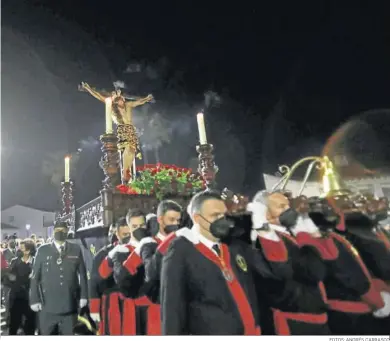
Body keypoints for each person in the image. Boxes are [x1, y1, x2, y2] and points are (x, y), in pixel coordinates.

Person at [160, 191, 282, 335]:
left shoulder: (235, 245)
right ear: (197, 218)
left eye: (223, 215)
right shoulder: (180, 251)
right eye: (214, 216)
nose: (221, 220)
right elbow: (172, 310)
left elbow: (274, 271)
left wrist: (264, 229)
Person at [248, 191, 329, 335]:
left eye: (288, 206)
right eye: (281, 206)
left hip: (312, 316)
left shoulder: (287, 235)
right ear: (266, 213)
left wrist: (304, 224)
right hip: (295, 321)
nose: (288, 210)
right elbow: (286, 270)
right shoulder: (264, 240)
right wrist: (262, 227)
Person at [81, 82, 153, 182]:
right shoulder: (113, 109)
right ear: (115, 101)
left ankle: (127, 172)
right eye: (119, 100)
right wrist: (89, 89)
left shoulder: (128, 105)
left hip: (131, 130)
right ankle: (125, 172)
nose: (122, 101)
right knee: (127, 148)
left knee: (132, 150)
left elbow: (138, 102)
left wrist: (146, 99)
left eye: (122, 99)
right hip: (122, 129)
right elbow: (99, 96)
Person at [29, 221, 88, 335]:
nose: (60, 233)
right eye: (57, 231)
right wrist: (34, 300)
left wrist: (84, 296)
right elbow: (35, 277)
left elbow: (83, 274)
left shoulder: (75, 249)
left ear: (67, 232)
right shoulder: (43, 250)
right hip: (47, 306)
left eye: (63, 231)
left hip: (69, 304)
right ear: (53, 233)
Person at [110, 210, 160, 335]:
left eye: (142, 225)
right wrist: (138, 252)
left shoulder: (155, 245)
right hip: (134, 309)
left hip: (156, 307)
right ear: (129, 228)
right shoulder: (121, 251)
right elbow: (121, 280)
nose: (139, 229)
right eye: (135, 226)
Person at [123, 200, 182, 304]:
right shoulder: (148, 244)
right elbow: (149, 274)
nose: (176, 224)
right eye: (172, 220)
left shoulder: (182, 241)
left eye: (178, 220)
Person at [88, 217, 131, 335]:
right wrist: (94, 308)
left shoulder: (139, 250)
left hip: (132, 302)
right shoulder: (103, 254)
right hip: (111, 303)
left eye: (130, 233)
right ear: (117, 233)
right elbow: (94, 282)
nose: (128, 237)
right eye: (124, 234)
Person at [6, 239, 36, 335]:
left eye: (22, 248)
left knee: (30, 326)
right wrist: (11, 278)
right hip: (16, 298)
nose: (19, 250)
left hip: (30, 299)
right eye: (19, 247)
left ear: (29, 250)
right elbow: (8, 279)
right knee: (14, 325)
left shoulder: (36, 262)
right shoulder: (14, 261)